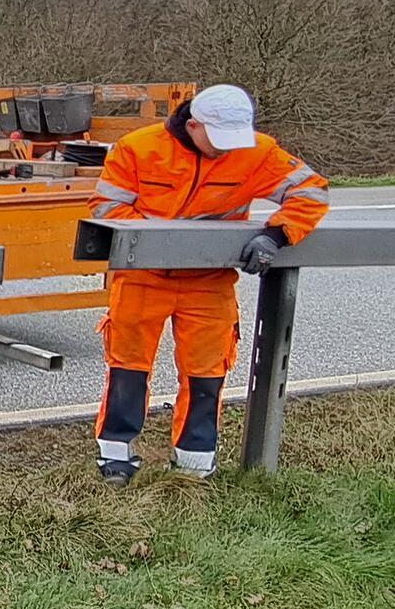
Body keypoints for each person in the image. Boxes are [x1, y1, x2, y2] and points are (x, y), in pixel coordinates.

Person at [87, 83, 328, 486]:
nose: (226, 151)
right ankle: (116, 455)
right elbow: (107, 207)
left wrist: (276, 235)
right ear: (193, 124)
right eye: (217, 141)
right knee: (127, 366)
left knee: (206, 372)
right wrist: (161, 240)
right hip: (144, 276)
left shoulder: (258, 152)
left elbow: (311, 192)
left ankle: (195, 463)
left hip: (209, 281)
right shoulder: (138, 148)